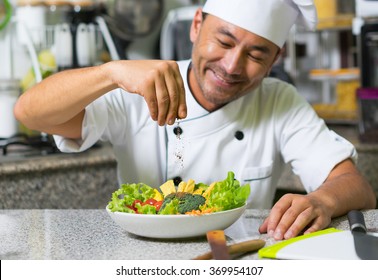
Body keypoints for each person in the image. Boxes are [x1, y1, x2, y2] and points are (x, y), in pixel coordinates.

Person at [14, 0, 376, 240]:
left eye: (255, 54)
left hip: (239, 261)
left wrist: (323, 201)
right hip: (144, 260)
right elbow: (30, 113)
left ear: (275, 59)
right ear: (197, 26)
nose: (232, 66)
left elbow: (357, 187)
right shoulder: (139, 87)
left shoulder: (279, 101)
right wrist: (109, 73)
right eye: (223, 41)